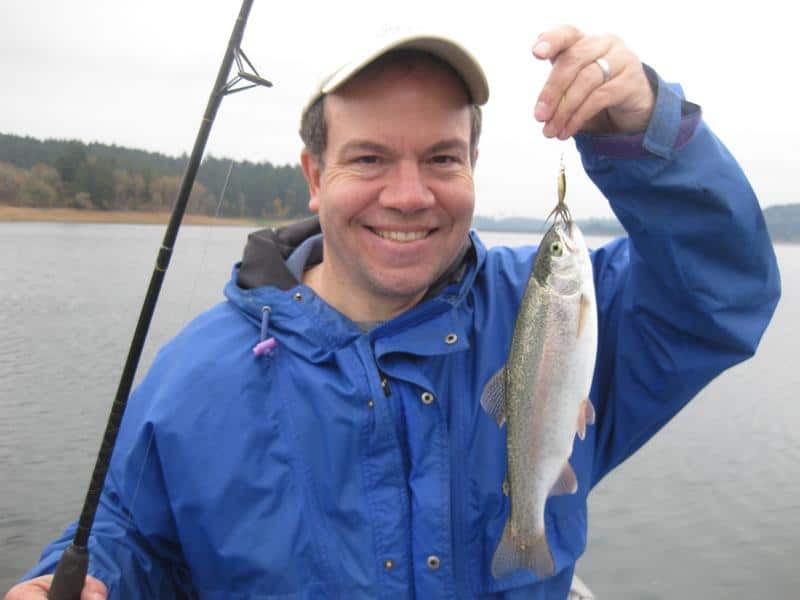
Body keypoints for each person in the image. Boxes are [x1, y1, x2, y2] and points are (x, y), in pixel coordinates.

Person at [6, 24, 780, 600]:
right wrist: (69, 582)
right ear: (315, 175)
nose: (409, 195)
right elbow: (128, 537)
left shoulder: (556, 313)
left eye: (442, 157)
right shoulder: (195, 378)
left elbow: (720, 290)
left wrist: (645, 136)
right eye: (370, 158)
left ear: (473, 167)